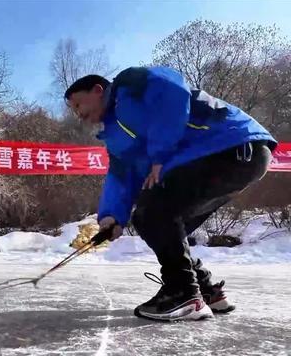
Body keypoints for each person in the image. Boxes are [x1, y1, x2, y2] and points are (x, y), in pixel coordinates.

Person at [64, 66, 277, 321]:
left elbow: (172, 93)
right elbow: (121, 176)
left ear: (97, 90)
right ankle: (205, 290)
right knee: (158, 224)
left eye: (78, 104)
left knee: (155, 214)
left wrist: (159, 154)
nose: (79, 114)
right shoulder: (115, 135)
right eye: (74, 110)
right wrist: (112, 217)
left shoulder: (132, 84)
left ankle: (184, 293)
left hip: (232, 146)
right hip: (223, 160)